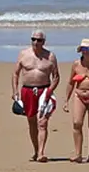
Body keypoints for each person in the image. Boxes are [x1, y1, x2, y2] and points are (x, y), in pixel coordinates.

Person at [11, 30, 59, 162]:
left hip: (44, 91)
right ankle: (36, 150)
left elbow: (56, 77)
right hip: (27, 91)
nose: (35, 42)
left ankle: (41, 153)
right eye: (33, 39)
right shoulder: (23, 54)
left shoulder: (50, 56)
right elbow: (15, 73)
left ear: (44, 42)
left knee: (42, 122)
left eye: (39, 40)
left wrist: (50, 91)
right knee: (32, 122)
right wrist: (15, 91)